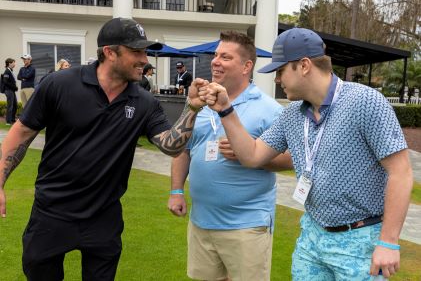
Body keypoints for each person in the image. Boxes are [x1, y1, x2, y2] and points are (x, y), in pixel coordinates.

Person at [0, 17, 208, 281]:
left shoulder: (144, 102)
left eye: (145, 51)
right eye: (137, 51)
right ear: (110, 52)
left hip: (103, 218)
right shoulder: (59, 84)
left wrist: (192, 108)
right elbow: (21, 134)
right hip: (51, 214)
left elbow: (170, 146)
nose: (145, 59)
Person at [202, 28, 413, 280]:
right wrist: (226, 110)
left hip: (360, 239)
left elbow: (400, 172)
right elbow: (252, 156)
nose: (278, 80)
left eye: (281, 71)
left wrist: (388, 242)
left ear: (303, 66)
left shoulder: (365, 101)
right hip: (312, 235)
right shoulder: (292, 114)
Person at [168, 31, 293, 281]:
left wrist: (251, 154)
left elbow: (291, 158)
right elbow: (183, 148)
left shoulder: (269, 109)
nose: (215, 61)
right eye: (215, 55)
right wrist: (176, 190)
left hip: (247, 224)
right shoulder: (200, 103)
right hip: (201, 221)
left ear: (247, 66)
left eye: (225, 57)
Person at [3, 58, 18, 125]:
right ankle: (8, 121)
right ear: (9, 63)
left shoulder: (10, 71)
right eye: (13, 62)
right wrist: (14, 87)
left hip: (12, 90)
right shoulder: (7, 71)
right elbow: (5, 81)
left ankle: (12, 119)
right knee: (10, 105)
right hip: (9, 91)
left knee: (15, 105)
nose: (14, 64)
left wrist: (14, 87)